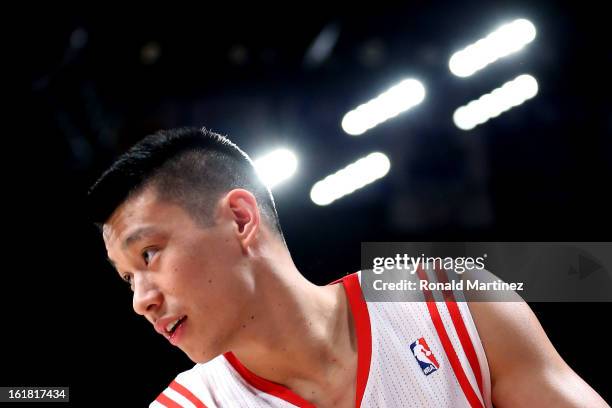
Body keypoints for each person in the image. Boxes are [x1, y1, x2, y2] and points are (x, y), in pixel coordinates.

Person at [89, 127, 608, 407]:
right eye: (128, 279)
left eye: (148, 255)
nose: (141, 299)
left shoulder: (447, 296)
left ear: (241, 220)